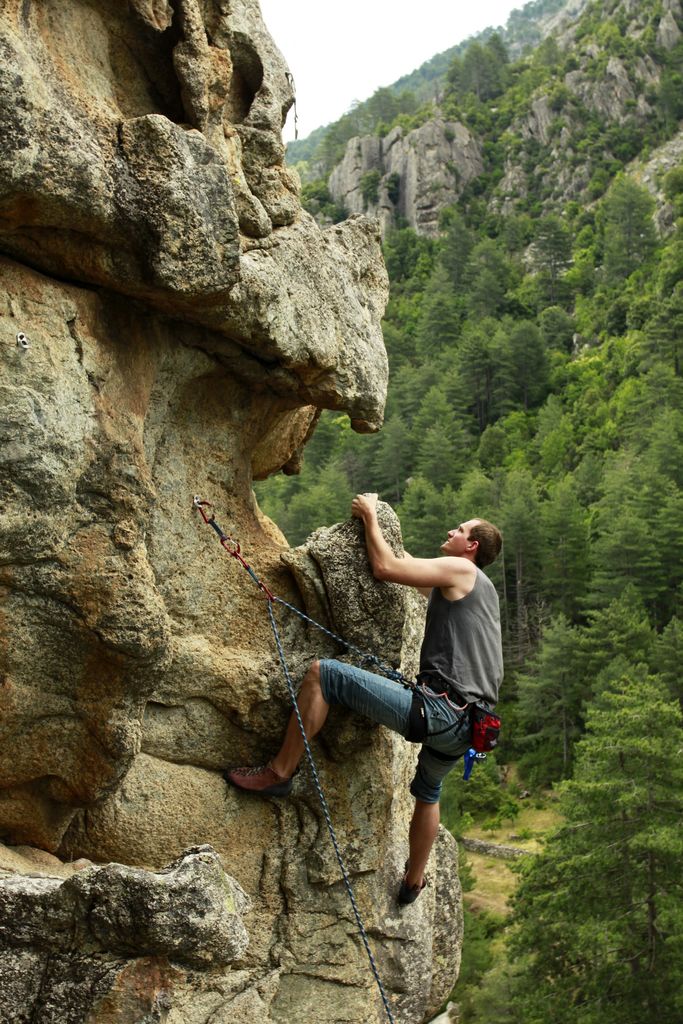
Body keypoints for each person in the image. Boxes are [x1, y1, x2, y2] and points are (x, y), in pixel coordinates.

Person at [226, 494, 503, 905]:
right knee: (428, 793)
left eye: (460, 530)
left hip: (440, 711)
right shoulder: (483, 592)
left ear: (472, 547)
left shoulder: (461, 569)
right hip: (471, 728)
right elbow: (404, 564)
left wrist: (372, 516)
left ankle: (279, 773)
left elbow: (385, 568)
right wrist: (385, 535)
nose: (451, 531)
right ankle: (413, 882)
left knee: (322, 675)